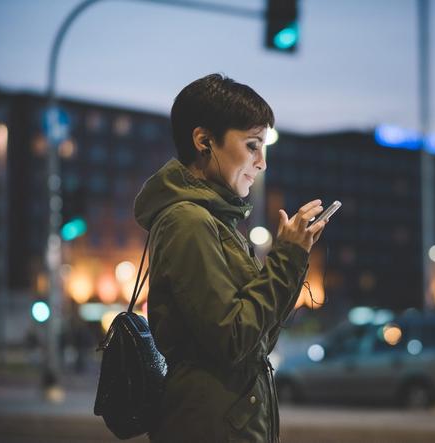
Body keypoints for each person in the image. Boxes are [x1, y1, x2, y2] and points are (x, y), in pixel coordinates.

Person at [134, 73, 328, 442]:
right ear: (204, 141)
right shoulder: (187, 222)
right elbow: (233, 339)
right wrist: (286, 258)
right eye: (252, 145)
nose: (261, 162)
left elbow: (256, 341)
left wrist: (293, 257)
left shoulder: (215, 223)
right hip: (209, 427)